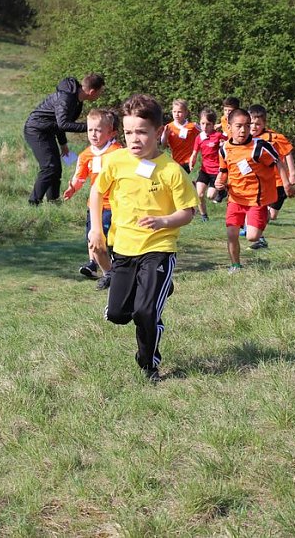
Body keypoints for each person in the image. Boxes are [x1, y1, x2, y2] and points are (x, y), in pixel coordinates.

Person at [88, 94, 198, 382]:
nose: (134, 139)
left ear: (158, 131)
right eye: (128, 132)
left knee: (145, 312)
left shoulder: (171, 170)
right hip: (124, 250)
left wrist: (164, 221)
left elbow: (188, 212)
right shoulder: (116, 161)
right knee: (117, 314)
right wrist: (96, 229)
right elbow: (97, 192)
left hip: (158, 248)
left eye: (141, 132)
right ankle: (162, 287)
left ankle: (149, 363)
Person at [215, 108, 294, 271]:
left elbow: (278, 162)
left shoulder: (259, 146)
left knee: (252, 237)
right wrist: (219, 182)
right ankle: (235, 266)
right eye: (238, 126)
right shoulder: (224, 149)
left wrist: (287, 184)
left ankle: (263, 215)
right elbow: (223, 171)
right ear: (229, 127)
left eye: (247, 125)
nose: (243, 130)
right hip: (235, 198)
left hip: (256, 200)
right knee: (231, 234)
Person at [63, 109, 123, 288]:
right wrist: (72, 188)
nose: (93, 134)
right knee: (91, 235)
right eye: (90, 130)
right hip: (94, 205)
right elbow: (79, 177)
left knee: (105, 238)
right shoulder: (85, 155)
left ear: (110, 133)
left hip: (113, 205)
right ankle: (94, 265)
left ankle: (112, 269)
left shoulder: (118, 152)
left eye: (98, 130)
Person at [24, 73, 104, 205]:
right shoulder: (67, 98)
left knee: (56, 169)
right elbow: (63, 124)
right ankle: (33, 203)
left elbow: (59, 123)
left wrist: (63, 144)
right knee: (49, 167)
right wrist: (91, 126)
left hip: (48, 131)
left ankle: (53, 201)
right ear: (92, 92)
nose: (100, 95)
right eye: (100, 92)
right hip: (36, 130)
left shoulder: (77, 101)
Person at [248, 104, 295, 232]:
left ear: (264, 123)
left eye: (258, 124)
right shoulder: (246, 139)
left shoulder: (275, 137)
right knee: (259, 208)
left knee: (272, 215)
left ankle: (255, 228)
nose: (253, 127)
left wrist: (292, 174)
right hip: (261, 181)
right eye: (251, 123)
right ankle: (255, 232)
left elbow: (287, 152)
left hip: (279, 180)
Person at [188, 108, 226, 221]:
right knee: (199, 195)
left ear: (213, 124)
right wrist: (192, 162)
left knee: (210, 196)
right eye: (202, 123)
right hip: (204, 170)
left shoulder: (218, 136)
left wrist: (224, 144)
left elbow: (231, 144)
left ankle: (223, 191)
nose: (205, 126)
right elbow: (194, 153)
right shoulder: (199, 137)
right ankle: (204, 216)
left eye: (208, 124)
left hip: (217, 172)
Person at [161, 99, 200, 172]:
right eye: (174, 111)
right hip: (176, 161)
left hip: (189, 161)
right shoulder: (168, 127)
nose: (176, 114)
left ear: (186, 112)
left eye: (179, 112)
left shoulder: (192, 126)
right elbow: (163, 146)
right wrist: (165, 135)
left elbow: (205, 135)